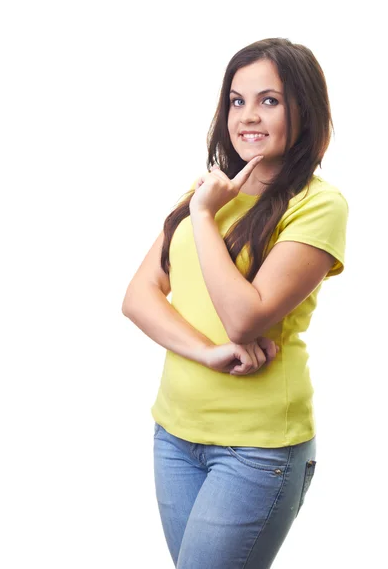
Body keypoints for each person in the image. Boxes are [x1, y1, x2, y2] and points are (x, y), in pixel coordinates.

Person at [121, 37, 348, 569]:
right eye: (236, 100)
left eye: (269, 100)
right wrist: (205, 353)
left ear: (303, 109)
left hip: (257, 450)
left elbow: (244, 315)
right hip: (174, 437)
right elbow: (138, 296)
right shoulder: (207, 190)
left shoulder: (319, 205)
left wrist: (203, 218)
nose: (248, 116)